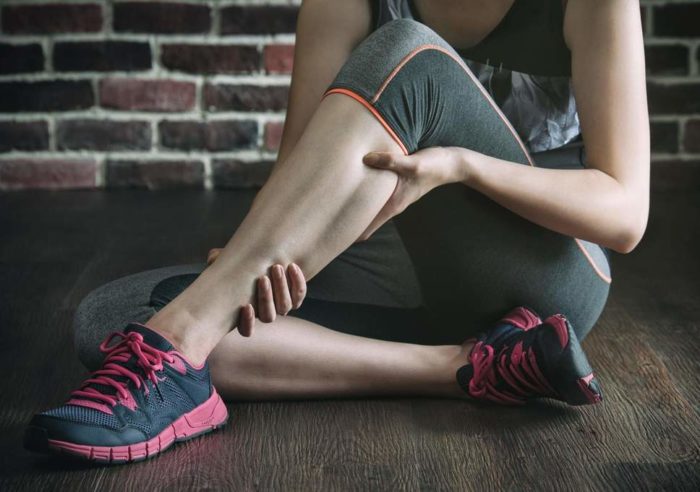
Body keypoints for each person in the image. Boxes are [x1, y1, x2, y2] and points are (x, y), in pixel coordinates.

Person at [24, 0, 649, 464]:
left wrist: (462, 167)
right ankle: (465, 366)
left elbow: (624, 213)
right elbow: (300, 170)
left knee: (413, 51)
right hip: (385, 262)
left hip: (538, 275)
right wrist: (247, 258)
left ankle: (178, 350)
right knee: (111, 316)